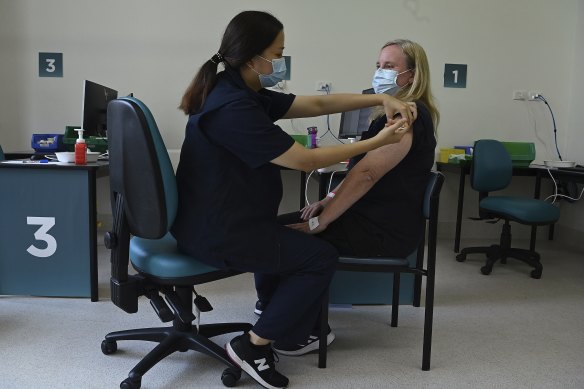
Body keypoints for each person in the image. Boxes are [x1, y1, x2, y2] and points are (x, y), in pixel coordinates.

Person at [171, 11, 415, 389]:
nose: (281, 61)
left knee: (287, 227)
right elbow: (304, 160)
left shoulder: (237, 89)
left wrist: (379, 98)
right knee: (319, 258)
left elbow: (314, 105)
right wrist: (378, 141)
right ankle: (253, 345)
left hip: (216, 219)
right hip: (219, 231)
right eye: (278, 52)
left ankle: (274, 319)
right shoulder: (232, 107)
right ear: (254, 57)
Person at [254, 38, 439, 355]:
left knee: (285, 239)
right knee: (270, 231)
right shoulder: (384, 115)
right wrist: (328, 199)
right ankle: (278, 311)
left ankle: (310, 330)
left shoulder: (406, 117)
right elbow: (357, 170)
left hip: (382, 230)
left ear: (411, 75)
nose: (380, 72)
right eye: (378, 65)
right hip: (363, 218)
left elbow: (368, 174)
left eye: (390, 66)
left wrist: (322, 221)